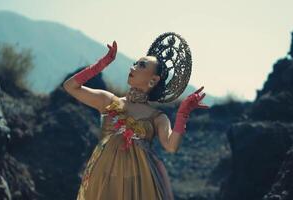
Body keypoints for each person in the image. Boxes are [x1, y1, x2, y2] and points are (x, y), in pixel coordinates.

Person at [63, 32, 209, 200]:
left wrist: (183, 113)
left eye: (141, 65)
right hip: (103, 179)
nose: (132, 67)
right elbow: (70, 87)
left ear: (153, 80)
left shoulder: (158, 118)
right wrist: (101, 64)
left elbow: (171, 146)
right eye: (134, 63)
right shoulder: (108, 101)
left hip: (140, 184)